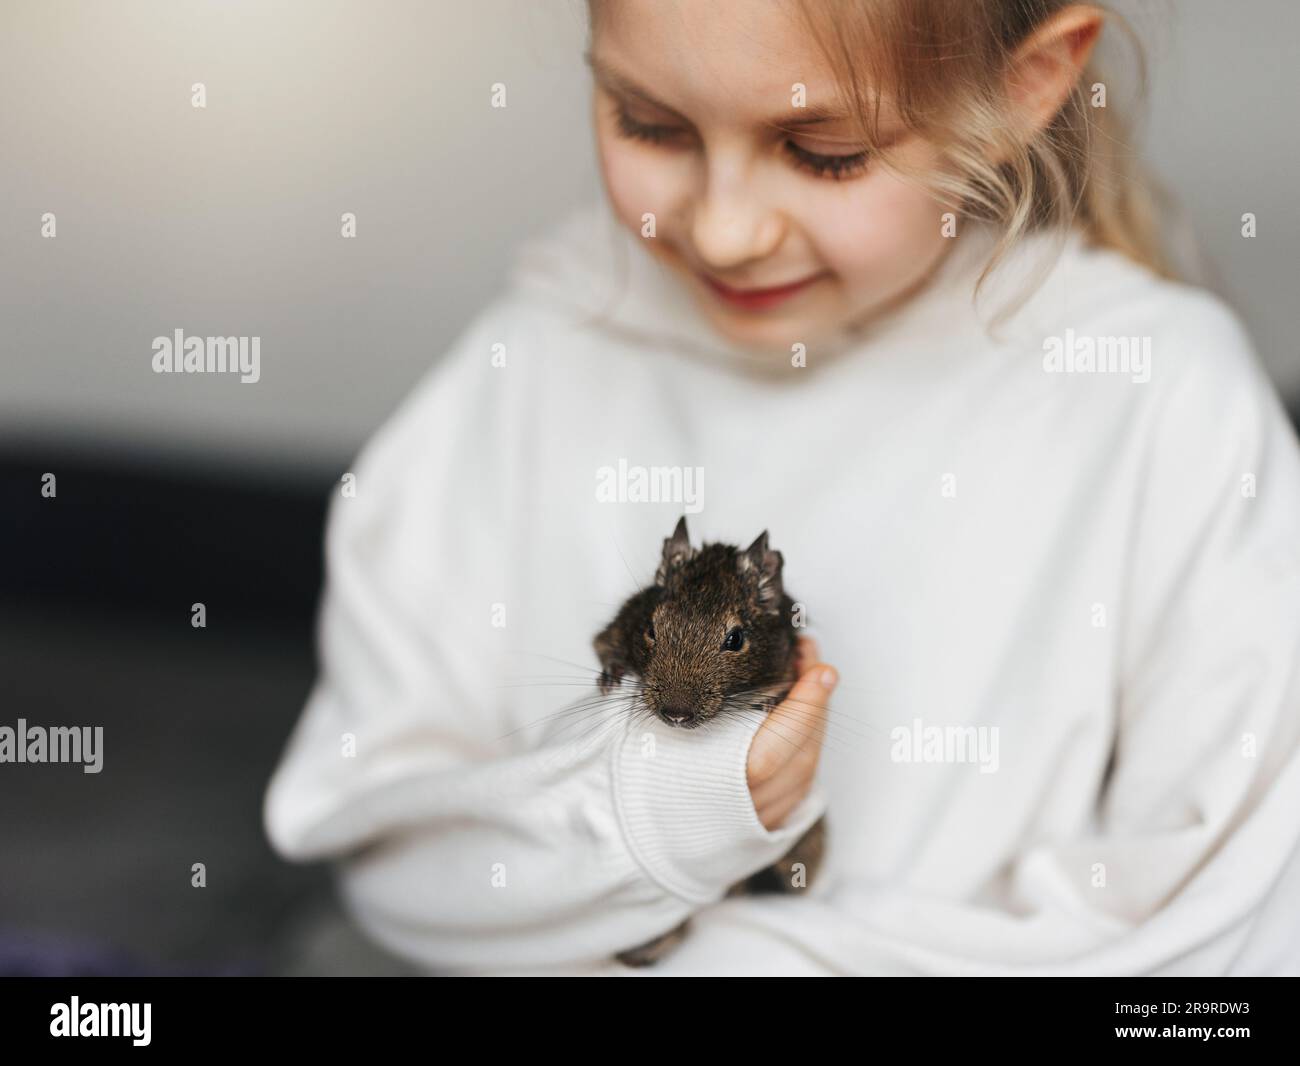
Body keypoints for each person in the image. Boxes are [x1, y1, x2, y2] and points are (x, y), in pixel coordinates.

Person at [263, 0, 1300, 975]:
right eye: (649, 124)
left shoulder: (1159, 401)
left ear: (1026, 87)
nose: (723, 231)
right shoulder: (531, 363)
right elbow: (383, 848)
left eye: (825, 154)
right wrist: (643, 809)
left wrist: (744, 960)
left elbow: (1222, 933)